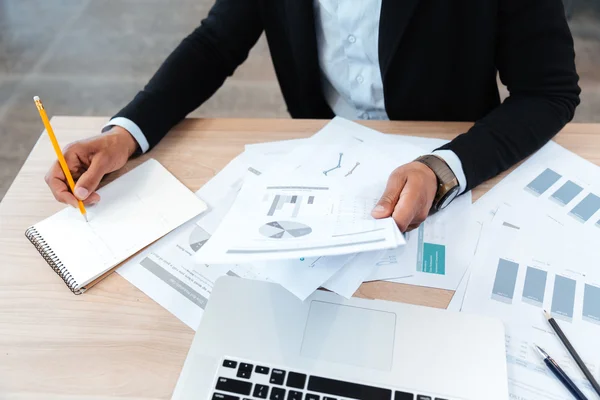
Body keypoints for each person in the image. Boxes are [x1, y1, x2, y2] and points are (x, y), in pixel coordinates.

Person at [45, 0, 580, 232]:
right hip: (325, 162)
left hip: (456, 159)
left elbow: (548, 91)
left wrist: (445, 170)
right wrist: (127, 133)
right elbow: (215, 42)